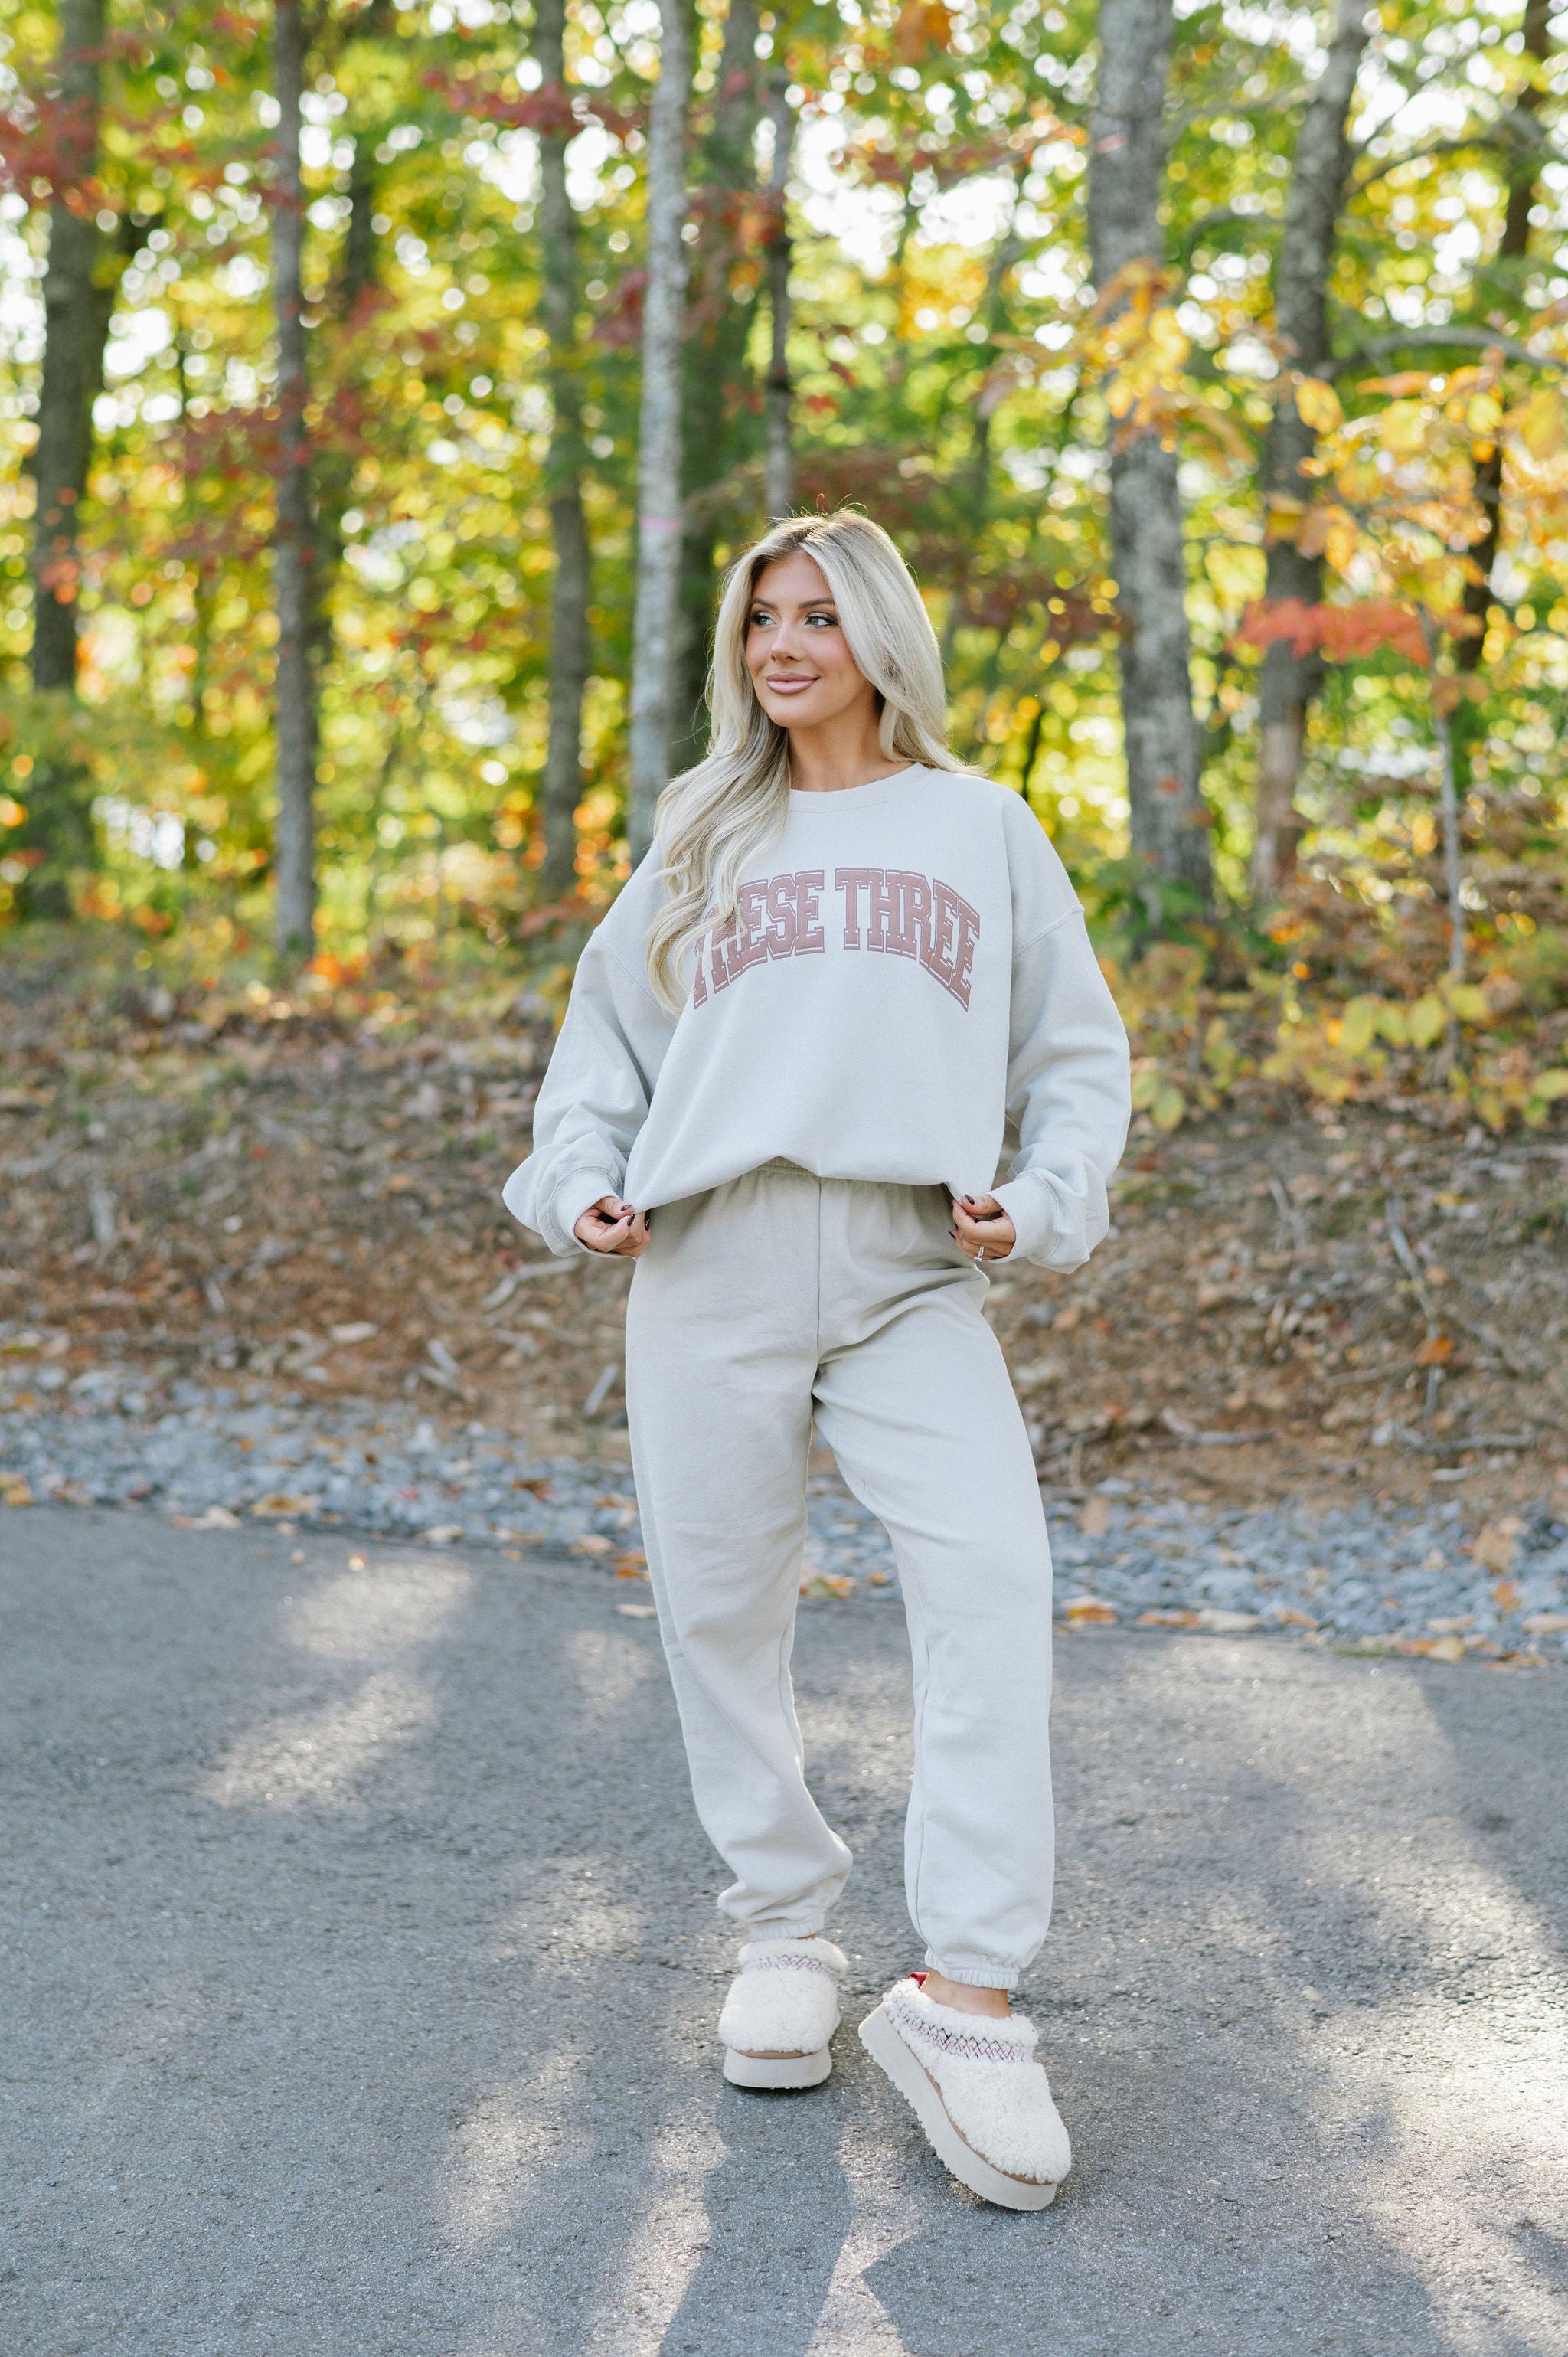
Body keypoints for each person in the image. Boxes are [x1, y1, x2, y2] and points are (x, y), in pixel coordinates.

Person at [505, 511, 1130, 2211]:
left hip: (909, 1265)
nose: (784, 647)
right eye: (762, 620)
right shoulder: (703, 827)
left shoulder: (979, 828)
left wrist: (1044, 1200)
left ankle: (967, 1993)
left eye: (818, 618)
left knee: (993, 1582)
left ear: (880, 640)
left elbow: (1076, 1054)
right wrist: (579, 1188)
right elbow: (597, 1055)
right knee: (721, 1606)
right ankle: (782, 1933)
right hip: (705, 1257)